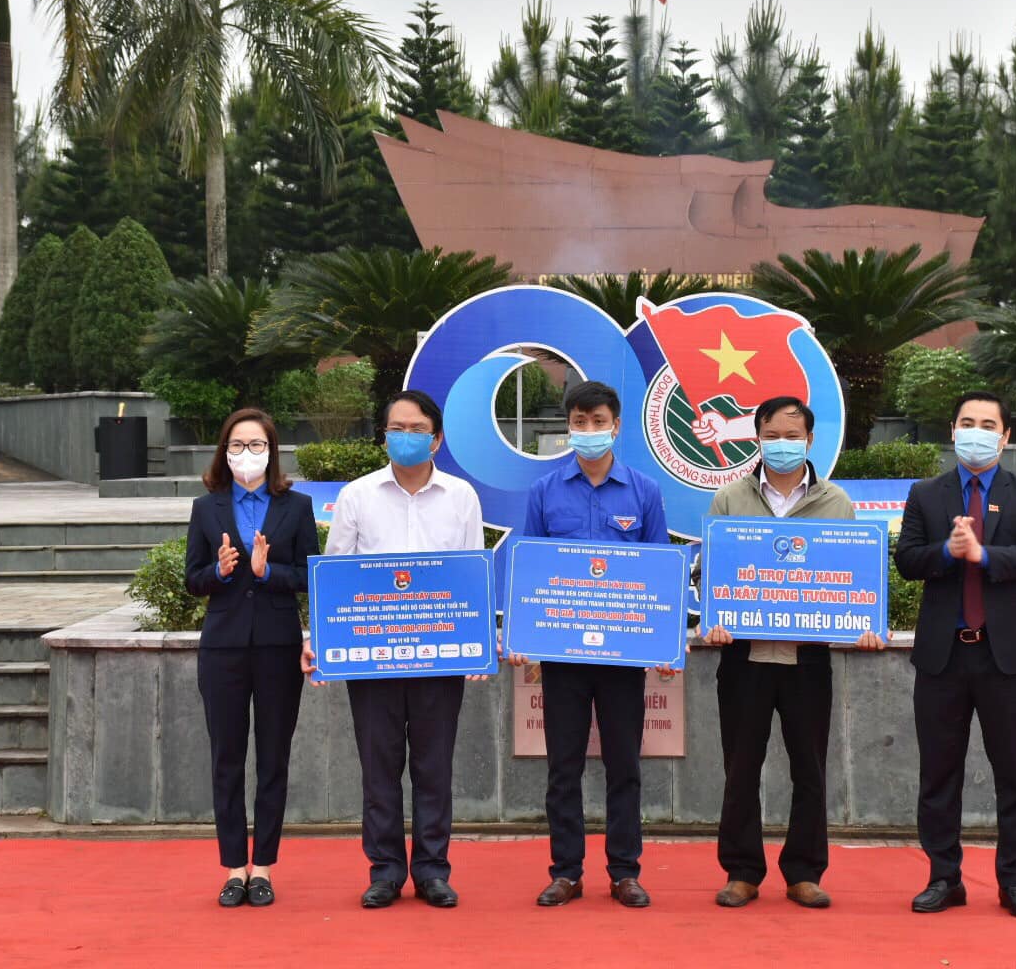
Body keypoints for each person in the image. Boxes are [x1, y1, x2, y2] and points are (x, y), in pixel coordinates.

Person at [699, 396, 885, 911]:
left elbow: (853, 579)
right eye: (772, 436)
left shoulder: (835, 503)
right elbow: (711, 573)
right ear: (757, 437)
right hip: (744, 659)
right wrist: (713, 618)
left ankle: (804, 872)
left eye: (793, 436)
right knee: (741, 768)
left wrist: (864, 624)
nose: (782, 445)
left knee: (810, 767)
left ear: (810, 440)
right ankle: (742, 871)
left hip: (808, 661)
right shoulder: (729, 499)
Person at [318, 390, 487, 910]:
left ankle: (433, 870)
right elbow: (336, 574)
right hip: (372, 659)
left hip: (441, 657)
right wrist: (322, 641)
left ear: (436, 439)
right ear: (384, 435)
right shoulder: (357, 496)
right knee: (379, 769)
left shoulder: (461, 496)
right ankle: (385, 871)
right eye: (397, 428)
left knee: (434, 769)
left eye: (417, 430)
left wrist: (480, 643)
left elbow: (472, 571)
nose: (406, 437)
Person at [508, 380, 671, 909]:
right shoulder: (545, 491)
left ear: (616, 426)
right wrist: (523, 636)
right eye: (580, 422)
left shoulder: (644, 491)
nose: (589, 430)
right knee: (564, 767)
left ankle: (625, 872)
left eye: (599, 422)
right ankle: (566, 872)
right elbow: (531, 569)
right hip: (563, 658)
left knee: (625, 766)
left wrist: (666, 645)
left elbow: (660, 573)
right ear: (569, 427)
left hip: (624, 657)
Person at [894, 390, 1016, 919]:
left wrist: (984, 555)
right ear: (952, 430)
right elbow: (907, 561)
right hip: (943, 659)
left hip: (1007, 659)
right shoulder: (927, 493)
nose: (976, 432)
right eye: (967, 422)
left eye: (988, 425)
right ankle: (944, 878)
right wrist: (947, 550)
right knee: (939, 775)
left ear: (1006, 437)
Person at [185, 408, 320, 908]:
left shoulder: (296, 506)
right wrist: (220, 571)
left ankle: (262, 866)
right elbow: (192, 578)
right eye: (237, 445)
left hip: (277, 646)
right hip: (222, 646)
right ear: (224, 451)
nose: (247, 453)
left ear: (272, 450)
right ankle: (233, 868)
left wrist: (267, 572)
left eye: (256, 444)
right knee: (226, 757)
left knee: (272, 757)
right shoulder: (206, 508)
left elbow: (309, 575)